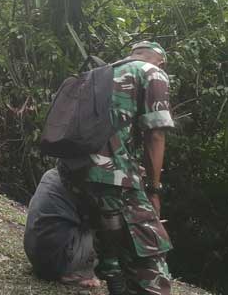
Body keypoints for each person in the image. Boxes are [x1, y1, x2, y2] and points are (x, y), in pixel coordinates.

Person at [58, 41, 174, 295]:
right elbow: (155, 134)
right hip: (114, 175)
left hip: (73, 171)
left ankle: (114, 279)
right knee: (150, 253)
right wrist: (154, 189)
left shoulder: (101, 72)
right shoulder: (151, 72)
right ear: (161, 61)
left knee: (112, 243)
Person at [24, 169, 101, 288]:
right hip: (57, 262)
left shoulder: (51, 174)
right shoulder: (83, 182)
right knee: (108, 226)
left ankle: (71, 268)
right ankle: (78, 273)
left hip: (37, 257)